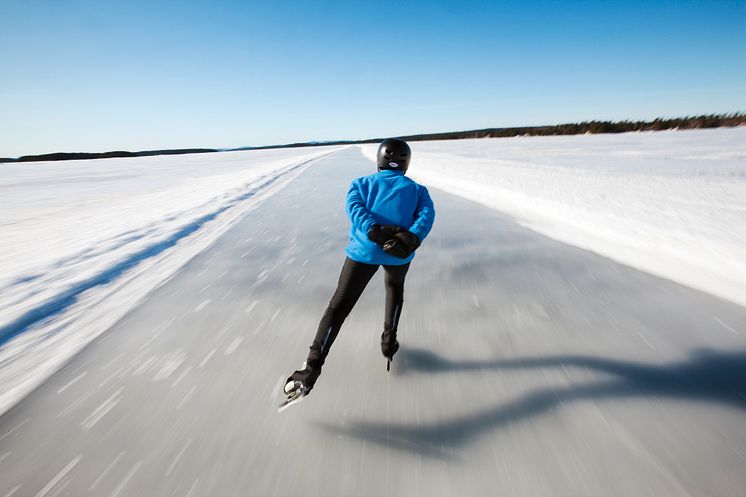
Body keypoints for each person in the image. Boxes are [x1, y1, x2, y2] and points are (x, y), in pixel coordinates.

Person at [283, 138, 435, 401]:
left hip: (363, 253)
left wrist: (374, 232)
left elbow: (355, 209)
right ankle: (389, 342)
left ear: (379, 160)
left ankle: (310, 369)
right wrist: (409, 239)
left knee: (338, 307)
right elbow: (427, 215)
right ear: (406, 164)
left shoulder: (360, 184)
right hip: (399, 255)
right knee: (394, 291)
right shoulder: (419, 190)